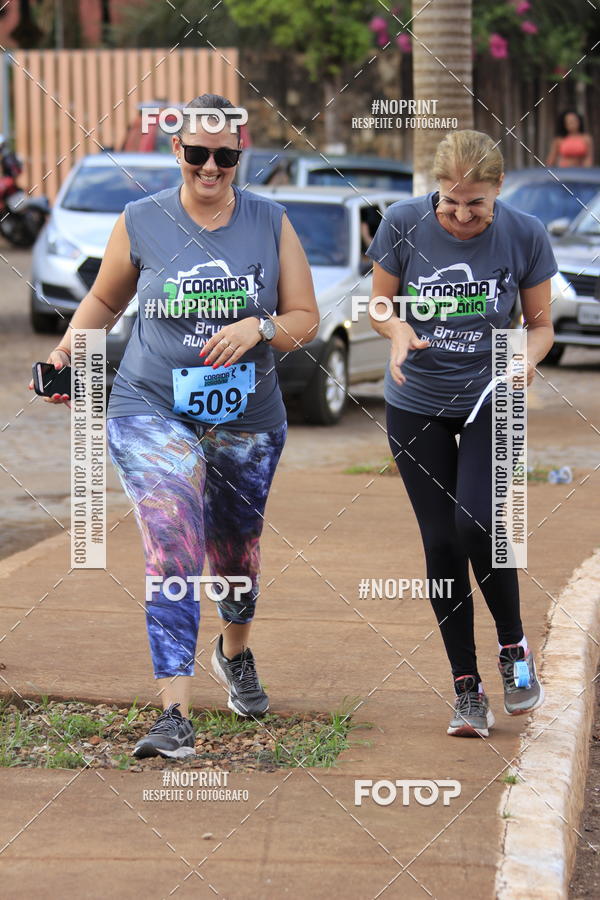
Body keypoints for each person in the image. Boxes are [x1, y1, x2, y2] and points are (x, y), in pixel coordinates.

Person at [30, 93, 319, 759]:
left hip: (247, 418)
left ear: (239, 156)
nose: (210, 166)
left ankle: (234, 651)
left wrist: (262, 325)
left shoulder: (270, 222)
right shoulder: (141, 219)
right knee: (173, 543)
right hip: (150, 406)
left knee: (235, 555)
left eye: (224, 156)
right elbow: (105, 299)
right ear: (177, 153)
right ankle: (174, 713)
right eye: (198, 154)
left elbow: (304, 317)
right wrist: (67, 351)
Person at [366, 130, 556, 738]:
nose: (461, 214)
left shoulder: (524, 233)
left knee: (479, 524)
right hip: (415, 403)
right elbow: (378, 304)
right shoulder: (402, 221)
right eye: (449, 202)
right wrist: (396, 332)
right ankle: (466, 688)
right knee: (441, 543)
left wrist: (525, 358)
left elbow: (541, 324)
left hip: (488, 399)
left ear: (499, 189)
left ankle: (514, 650)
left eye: (475, 202)